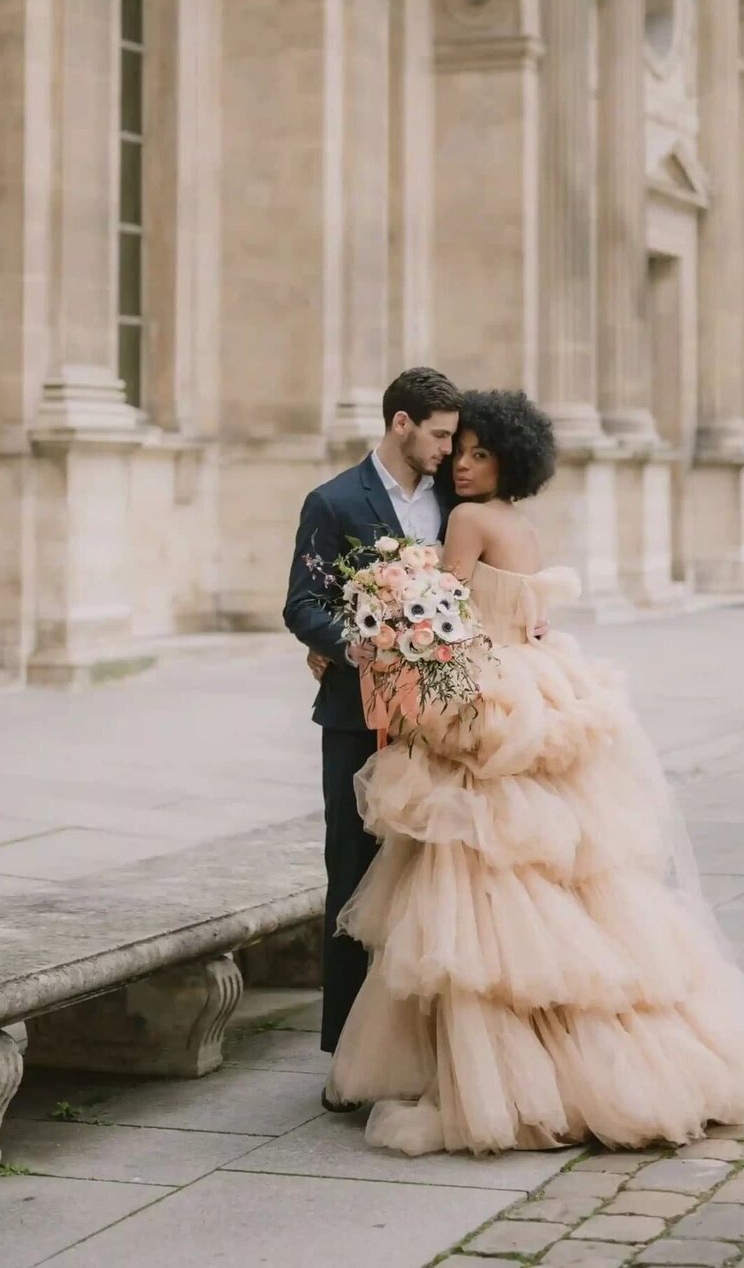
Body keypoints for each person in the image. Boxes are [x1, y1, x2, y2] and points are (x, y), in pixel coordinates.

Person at [329, 388, 744, 1156]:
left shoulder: (465, 520)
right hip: (536, 681)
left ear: (507, 463)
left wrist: (386, 615)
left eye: (480, 453)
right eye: (463, 450)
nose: (463, 463)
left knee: (477, 884)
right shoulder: (521, 525)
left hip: (484, 687)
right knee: (561, 878)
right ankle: (574, 1058)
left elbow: (443, 609)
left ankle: (500, 1075)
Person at [283, 366, 461, 1105]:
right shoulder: (333, 501)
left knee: (434, 880)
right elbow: (302, 603)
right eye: (440, 435)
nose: (450, 450)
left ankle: (426, 1051)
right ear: (401, 424)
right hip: (358, 720)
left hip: (444, 724)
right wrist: (363, 643)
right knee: (354, 875)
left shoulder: (458, 502)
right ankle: (348, 1059)